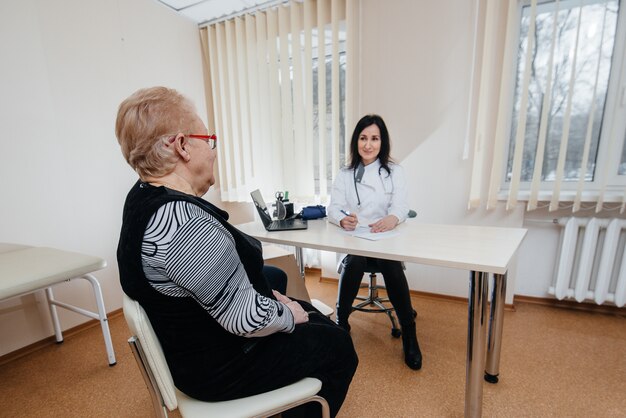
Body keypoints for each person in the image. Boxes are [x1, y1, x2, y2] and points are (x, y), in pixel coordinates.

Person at [115, 86, 358, 417]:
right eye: (208, 140)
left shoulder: (142, 196)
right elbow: (245, 319)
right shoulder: (182, 226)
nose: (214, 151)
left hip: (188, 337)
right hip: (217, 367)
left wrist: (271, 295)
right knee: (339, 346)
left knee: (275, 277)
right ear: (182, 145)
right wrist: (288, 313)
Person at [328, 114, 422, 370]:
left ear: (382, 142)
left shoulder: (395, 171)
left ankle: (410, 334)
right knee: (354, 260)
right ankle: (341, 325)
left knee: (390, 264)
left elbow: (402, 206)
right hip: (356, 238)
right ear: (355, 141)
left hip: (384, 239)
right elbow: (333, 208)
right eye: (363, 138)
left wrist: (393, 217)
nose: (368, 144)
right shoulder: (345, 174)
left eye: (374, 138)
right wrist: (342, 219)